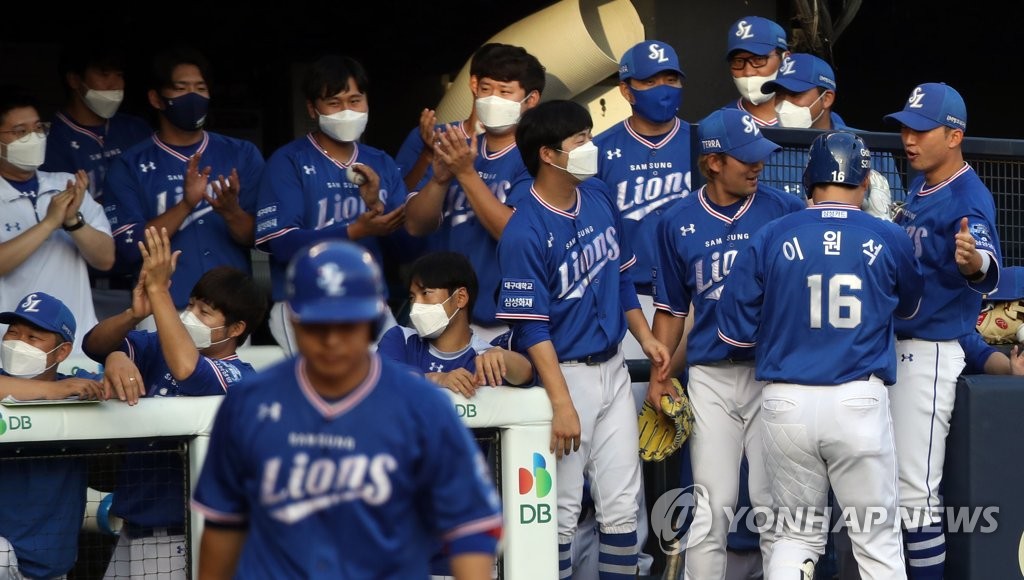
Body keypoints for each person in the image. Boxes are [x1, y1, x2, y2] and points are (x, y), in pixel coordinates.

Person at [192, 240, 502, 579]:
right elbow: (223, 526)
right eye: (318, 324)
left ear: (372, 322)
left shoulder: (425, 406)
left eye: (347, 324)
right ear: (294, 319)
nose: (332, 339)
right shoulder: (249, 403)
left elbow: (470, 525)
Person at [715, 130, 922, 579]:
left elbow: (733, 333)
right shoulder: (889, 236)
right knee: (876, 542)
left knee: (795, 536)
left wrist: (784, 333)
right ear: (864, 181)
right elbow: (909, 310)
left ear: (808, 180)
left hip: (785, 400)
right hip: (857, 399)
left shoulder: (772, 234)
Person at [494, 99, 670, 579]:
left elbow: (622, 275)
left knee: (623, 507)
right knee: (561, 512)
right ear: (548, 154)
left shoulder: (597, 195)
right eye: (581, 140)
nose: (591, 147)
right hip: (564, 375)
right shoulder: (523, 230)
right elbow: (531, 328)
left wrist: (645, 337)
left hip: (613, 366)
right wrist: (561, 402)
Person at [647, 107, 806, 580]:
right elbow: (671, 309)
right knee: (710, 506)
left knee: (771, 504)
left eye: (760, 156)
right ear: (714, 162)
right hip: (710, 377)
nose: (758, 165)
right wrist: (659, 376)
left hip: (770, 374)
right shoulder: (675, 221)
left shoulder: (785, 210)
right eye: (746, 158)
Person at [82, 226, 266, 579]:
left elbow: (188, 370)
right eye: (191, 304)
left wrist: (158, 290)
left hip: (182, 535)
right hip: (130, 526)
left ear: (236, 329)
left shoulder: (240, 377)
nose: (190, 315)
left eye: (205, 312)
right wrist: (123, 338)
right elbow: (94, 344)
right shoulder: (156, 347)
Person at [883, 82, 1002, 580]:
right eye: (905, 129)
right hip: (897, 350)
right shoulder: (920, 185)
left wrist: (975, 263)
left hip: (929, 354)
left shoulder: (968, 196)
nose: (909, 139)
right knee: (888, 493)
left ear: (954, 136)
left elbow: (985, 262)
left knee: (915, 495)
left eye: (921, 130)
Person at [256, 54, 406, 355]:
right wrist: (354, 231)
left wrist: (376, 206)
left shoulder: (381, 162)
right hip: (306, 301)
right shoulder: (289, 161)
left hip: (369, 299)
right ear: (313, 108)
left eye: (355, 100)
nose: (347, 111)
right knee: (330, 383)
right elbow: (281, 244)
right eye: (334, 103)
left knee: (391, 377)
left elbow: (407, 248)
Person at [103, 45, 264, 324]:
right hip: (161, 307)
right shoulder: (129, 165)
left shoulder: (241, 154)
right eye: (181, 88)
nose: (193, 96)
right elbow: (128, 248)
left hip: (229, 309)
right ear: (156, 98)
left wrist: (231, 212)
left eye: (200, 88)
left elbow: (260, 238)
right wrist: (186, 205)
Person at [405, 44, 545, 342]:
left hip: (503, 319)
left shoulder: (536, 157)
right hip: (440, 312)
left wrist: (466, 174)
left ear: (531, 100)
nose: (492, 99)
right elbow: (416, 225)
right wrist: (440, 181)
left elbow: (514, 234)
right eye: (485, 89)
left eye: (505, 92)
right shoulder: (455, 146)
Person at [594, 39, 692, 361]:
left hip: (692, 298)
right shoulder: (600, 150)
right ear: (626, 90)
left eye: (670, 79)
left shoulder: (702, 143)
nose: (663, 89)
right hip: (628, 298)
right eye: (649, 82)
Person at [42, 40, 154, 321]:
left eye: (120, 75)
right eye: (104, 74)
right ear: (74, 80)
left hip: (144, 279)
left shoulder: (136, 129)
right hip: (82, 282)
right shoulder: (49, 140)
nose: (115, 84)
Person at [0, 86, 115, 353]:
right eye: (20, 131)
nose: (34, 137)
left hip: (77, 345)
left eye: (38, 128)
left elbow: (105, 258)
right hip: (11, 345)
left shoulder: (68, 185)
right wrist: (49, 223)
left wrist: (73, 221)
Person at [0, 292, 105, 580]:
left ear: (62, 352)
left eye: (33, 337)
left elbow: (116, 387)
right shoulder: (63, 388)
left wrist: (119, 358)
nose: (18, 343)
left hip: (49, 560)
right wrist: (52, 391)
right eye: (13, 332)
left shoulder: (79, 385)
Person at [757, 52, 903, 216]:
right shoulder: (762, 146)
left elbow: (897, 211)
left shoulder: (868, 146)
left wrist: (879, 218)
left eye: (794, 94)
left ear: (826, 98)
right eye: (779, 95)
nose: (784, 104)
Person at [377, 250, 533, 394]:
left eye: (426, 293)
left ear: (460, 298)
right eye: (412, 297)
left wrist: (504, 358)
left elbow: (527, 374)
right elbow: (380, 378)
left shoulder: (484, 358)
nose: (416, 305)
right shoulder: (400, 338)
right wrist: (438, 379)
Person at [722, 16, 790, 127]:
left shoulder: (811, 119)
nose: (748, 72)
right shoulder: (718, 126)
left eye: (759, 59)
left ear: (785, 59)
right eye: (739, 61)